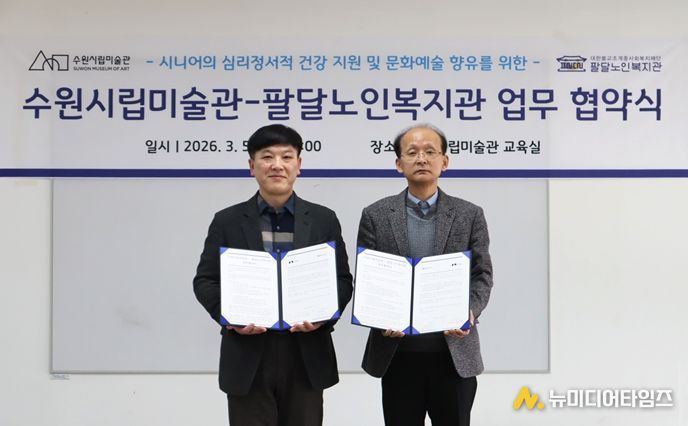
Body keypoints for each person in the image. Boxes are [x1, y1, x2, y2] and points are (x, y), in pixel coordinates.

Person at [193, 124, 353, 426]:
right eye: (267, 157)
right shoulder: (227, 221)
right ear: (252, 166)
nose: (277, 165)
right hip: (248, 355)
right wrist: (231, 317)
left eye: (286, 157)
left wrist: (323, 315)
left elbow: (342, 280)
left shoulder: (323, 219)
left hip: (305, 353)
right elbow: (205, 281)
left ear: (298, 165)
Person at [357, 124, 493, 426]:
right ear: (398, 163)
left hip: (453, 354)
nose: (421, 159)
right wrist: (380, 317)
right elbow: (368, 279)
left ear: (444, 161)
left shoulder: (470, 214)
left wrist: (470, 311)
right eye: (412, 152)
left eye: (430, 151)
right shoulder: (376, 215)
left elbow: (482, 274)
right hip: (398, 355)